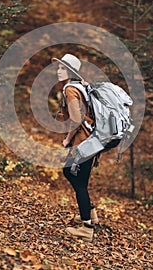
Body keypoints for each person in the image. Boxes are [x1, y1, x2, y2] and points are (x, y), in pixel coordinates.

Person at [52, 53, 99, 242]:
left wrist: (67, 139)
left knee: (70, 174)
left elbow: (76, 119)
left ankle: (87, 228)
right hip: (93, 140)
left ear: (70, 71)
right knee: (80, 179)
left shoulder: (70, 89)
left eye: (62, 68)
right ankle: (90, 213)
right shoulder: (82, 86)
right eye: (58, 68)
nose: (58, 71)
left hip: (83, 142)